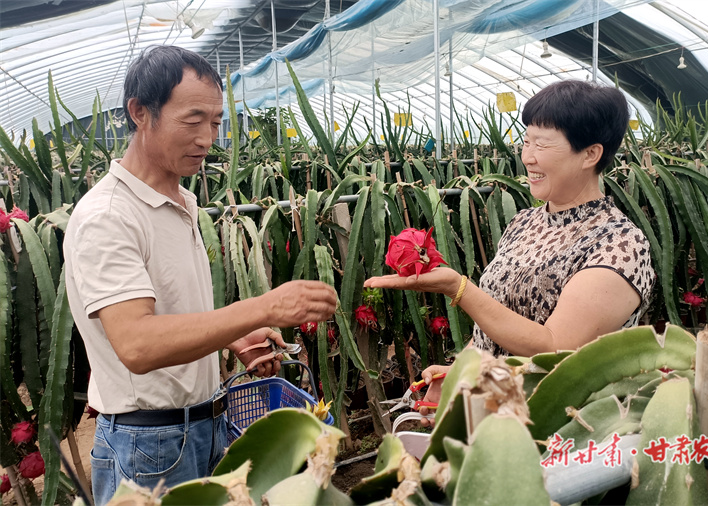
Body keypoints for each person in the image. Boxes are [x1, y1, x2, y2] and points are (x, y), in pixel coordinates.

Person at [63, 46, 337, 504]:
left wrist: (233, 338)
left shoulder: (182, 201)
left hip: (203, 427)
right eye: (193, 120)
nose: (208, 138)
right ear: (139, 113)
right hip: (149, 447)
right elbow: (138, 343)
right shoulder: (107, 217)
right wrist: (262, 308)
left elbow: (172, 310)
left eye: (215, 122)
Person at [364, 80, 655, 424]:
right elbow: (495, 326)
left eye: (542, 144)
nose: (527, 156)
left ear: (590, 154)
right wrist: (460, 371)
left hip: (562, 426)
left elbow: (553, 347)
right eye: (526, 141)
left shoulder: (618, 243)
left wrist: (458, 288)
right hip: (497, 415)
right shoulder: (524, 222)